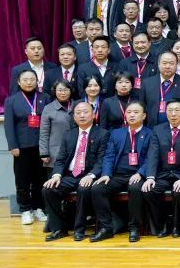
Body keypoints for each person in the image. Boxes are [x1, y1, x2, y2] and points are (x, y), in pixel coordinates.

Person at [91, 101, 158, 242]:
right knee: (98, 188)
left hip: (138, 175)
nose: (132, 115)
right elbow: (109, 156)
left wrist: (140, 173)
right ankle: (106, 228)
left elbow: (151, 158)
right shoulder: (116, 133)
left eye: (136, 112)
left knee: (135, 188)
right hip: (118, 175)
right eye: (129, 112)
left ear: (144, 116)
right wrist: (106, 174)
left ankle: (134, 228)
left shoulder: (150, 134)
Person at [42, 102, 109, 241]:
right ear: (74, 117)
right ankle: (59, 229)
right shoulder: (69, 134)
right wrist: (56, 175)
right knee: (48, 189)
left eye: (85, 112)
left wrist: (91, 175)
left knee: (83, 189)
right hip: (70, 175)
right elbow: (60, 159)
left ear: (93, 115)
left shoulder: (102, 134)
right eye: (78, 113)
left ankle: (79, 230)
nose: (82, 115)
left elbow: (102, 160)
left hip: (89, 175)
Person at [145, 101, 180, 240]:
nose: (173, 114)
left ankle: (177, 225)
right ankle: (163, 223)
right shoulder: (158, 130)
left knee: (179, 191)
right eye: (170, 110)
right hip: (163, 174)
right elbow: (153, 154)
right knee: (149, 190)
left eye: (177, 110)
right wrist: (150, 177)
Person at [5, 70, 51, 225]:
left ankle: (39, 208)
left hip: (41, 146)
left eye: (32, 79)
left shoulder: (45, 98)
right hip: (22, 147)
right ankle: (25, 209)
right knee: (22, 180)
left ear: (37, 81)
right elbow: (9, 125)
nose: (29, 82)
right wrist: (13, 145)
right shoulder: (11, 100)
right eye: (25, 79)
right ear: (19, 82)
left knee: (40, 179)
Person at [39, 81, 75, 173]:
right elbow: (44, 132)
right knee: (54, 179)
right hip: (55, 153)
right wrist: (44, 153)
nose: (63, 93)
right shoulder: (48, 108)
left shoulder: (77, 106)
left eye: (66, 90)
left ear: (70, 91)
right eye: (60, 90)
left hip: (75, 152)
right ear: (55, 91)